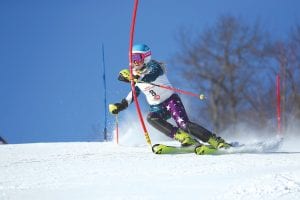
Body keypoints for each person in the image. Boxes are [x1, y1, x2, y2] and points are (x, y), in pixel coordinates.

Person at [109, 44, 230, 151]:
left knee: (184, 124)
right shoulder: (135, 76)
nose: (134, 62)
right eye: (132, 59)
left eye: (137, 58)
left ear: (145, 58)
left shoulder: (154, 66)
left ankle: (215, 141)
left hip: (171, 101)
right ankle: (185, 139)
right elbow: (132, 95)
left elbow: (152, 75)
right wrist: (120, 106)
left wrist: (137, 78)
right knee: (151, 117)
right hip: (157, 107)